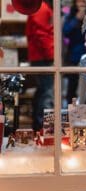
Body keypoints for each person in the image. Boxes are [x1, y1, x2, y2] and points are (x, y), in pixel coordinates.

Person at [25, 0, 54, 132]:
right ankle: (43, 128)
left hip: (40, 56)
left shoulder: (40, 7)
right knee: (47, 92)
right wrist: (51, 56)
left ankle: (39, 126)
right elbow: (41, 34)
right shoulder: (41, 8)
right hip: (43, 57)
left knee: (43, 91)